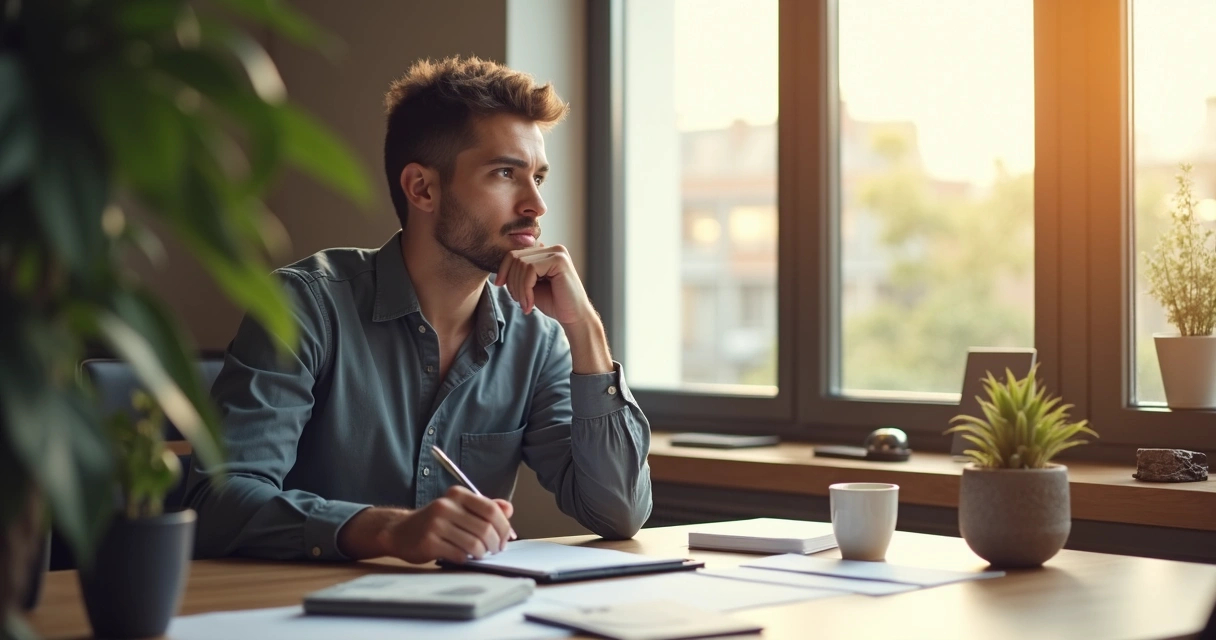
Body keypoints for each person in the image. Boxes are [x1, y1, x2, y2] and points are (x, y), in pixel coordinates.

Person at [184, 56, 652, 564]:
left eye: (538, 176)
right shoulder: (306, 307)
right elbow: (219, 501)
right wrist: (387, 530)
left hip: (463, 617)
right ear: (422, 188)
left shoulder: (536, 337)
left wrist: (584, 329)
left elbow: (619, 512)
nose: (536, 205)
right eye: (504, 173)